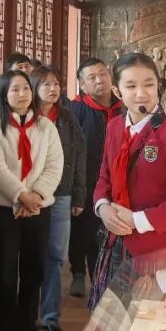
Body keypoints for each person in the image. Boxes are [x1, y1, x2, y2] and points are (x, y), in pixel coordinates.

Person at [90, 53, 166, 304]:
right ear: (117, 91)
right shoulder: (114, 127)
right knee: (112, 319)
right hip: (115, 242)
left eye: (149, 84)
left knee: (149, 320)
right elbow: (104, 177)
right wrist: (102, 208)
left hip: (158, 250)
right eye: (131, 86)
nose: (141, 93)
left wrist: (137, 220)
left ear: (159, 85)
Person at [0, 71, 63, 331]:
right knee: (6, 272)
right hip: (7, 210)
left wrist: (36, 197)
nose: (22, 94)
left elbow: (55, 165)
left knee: (33, 271)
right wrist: (21, 196)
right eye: (14, 89)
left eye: (26, 88)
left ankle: (28, 329)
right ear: (4, 95)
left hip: (39, 210)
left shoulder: (46, 127)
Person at [31, 66, 85, 331]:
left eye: (56, 83)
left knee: (55, 254)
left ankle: (51, 315)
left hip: (61, 194)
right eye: (46, 84)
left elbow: (79, 156)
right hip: (30, 195)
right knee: (29, 253)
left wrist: (79, 195)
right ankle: (27, 313)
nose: (53, 89)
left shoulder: (67, 118)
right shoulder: (25, 117)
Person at [66, 58, 123, 299]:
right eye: (92, 77)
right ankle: (78, 272)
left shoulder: (124, 108)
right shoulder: (75, 111)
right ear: (82, 84)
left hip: (117, 181)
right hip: (86, 181)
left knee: (108, 230)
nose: (99, 80)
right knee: (82, 230)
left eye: (103, 74)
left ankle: (103, 277)